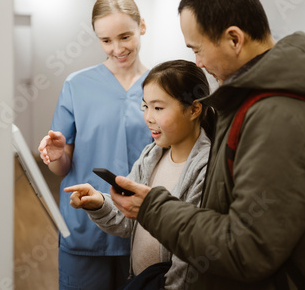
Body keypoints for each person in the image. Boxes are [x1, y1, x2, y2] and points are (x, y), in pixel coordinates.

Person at [109, 0, 305, 289]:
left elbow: (249, 248)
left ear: (234, 39)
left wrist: (153, 209)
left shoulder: (277, 115)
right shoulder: (252, 101)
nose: (197, 61)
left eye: (198, 49)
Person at [64, 59, 215, 289]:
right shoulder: (151, 156)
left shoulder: (206, 168)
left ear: (194, 109)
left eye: (158, 107)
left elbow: (191, 251)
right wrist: (99, 204)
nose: (148, 117)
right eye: (145, 106)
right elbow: (127, 222)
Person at [37, 0, 153, 290]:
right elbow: (60, 169)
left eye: (125, 36)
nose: (117, 49)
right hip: (85, 226)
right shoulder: (77, 85)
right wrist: (58, 154)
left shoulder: (160, 85)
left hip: (144, 226)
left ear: (142, 25)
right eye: (106, 40)